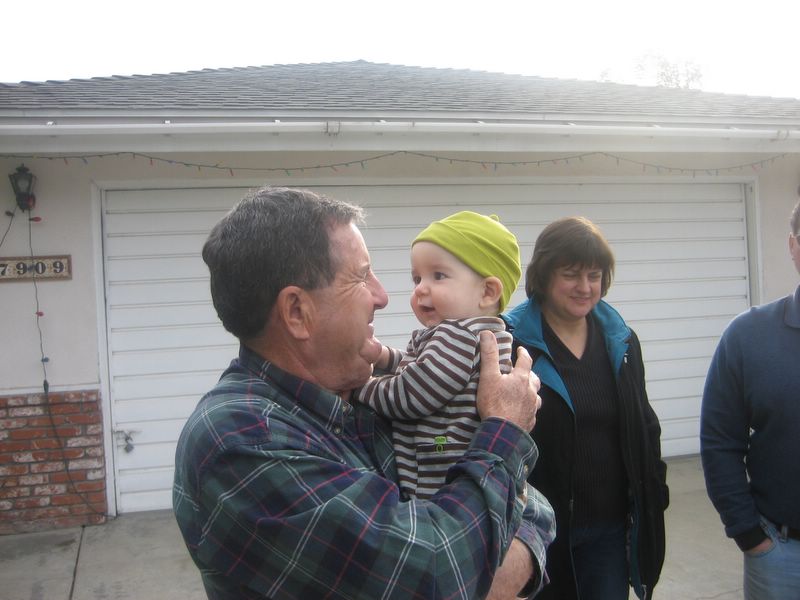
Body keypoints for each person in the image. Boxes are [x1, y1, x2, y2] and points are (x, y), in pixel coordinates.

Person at [172, 186, 556, 600]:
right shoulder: (242, 439)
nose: (383, 296)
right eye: (361, 276)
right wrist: (504, 431)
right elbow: (438, 573)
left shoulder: (348, 400)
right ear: (297, 312)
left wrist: (501, 515)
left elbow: (531, 508)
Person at [502, 216, 669, 600]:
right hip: (535, 533)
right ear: (543, 275)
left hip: (609, 532)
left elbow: (644, 424)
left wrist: (654, 492)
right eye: (571, 275)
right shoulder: (509, 341)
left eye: (594, 276)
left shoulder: (621, 341)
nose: (585, 287)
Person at [357, 211, 526, 500]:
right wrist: (386, 357)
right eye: (417, 278)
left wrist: (362, 386)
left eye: (438, 275)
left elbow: (414, 393)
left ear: (487, 292)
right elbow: (426, 368)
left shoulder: (459, 334)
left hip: (439, 469)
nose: (421, 288)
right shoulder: (474, 334)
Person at [700, 199, 800, 600]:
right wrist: (748, 534)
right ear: (793, 245)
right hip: (781, 557)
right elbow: (719, 441)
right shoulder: (748, 335)